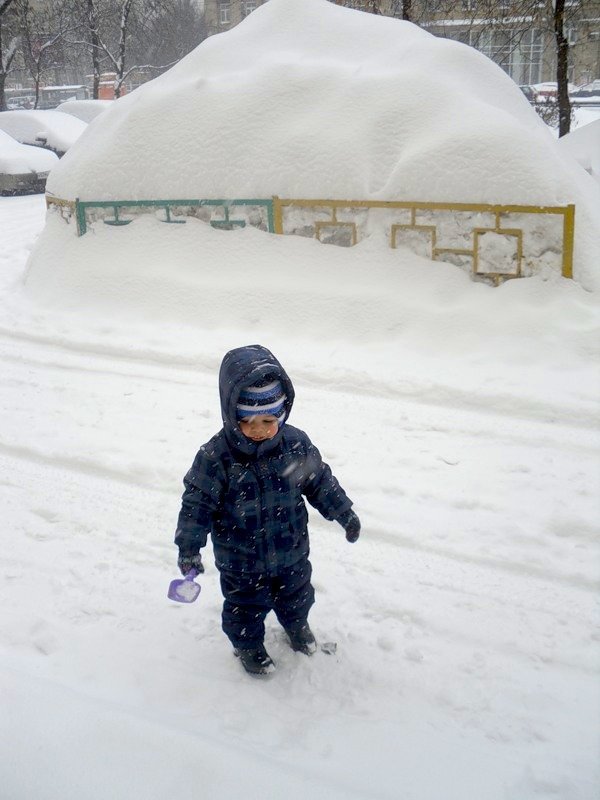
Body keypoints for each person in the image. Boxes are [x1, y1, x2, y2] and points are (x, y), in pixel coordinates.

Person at [174, 344, 360, 675]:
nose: (259, 429)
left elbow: (319, 482)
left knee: (298, 596)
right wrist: (189, 548)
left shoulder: (294, 446)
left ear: (283, 413)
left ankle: (297, 627)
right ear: (231, 415)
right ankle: (248, 647)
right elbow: (196, 505)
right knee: (244, 609)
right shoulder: (217, 458)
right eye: (248, 421)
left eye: (269, 419)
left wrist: (343, 512)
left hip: (291, 552)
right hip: (241, 562)